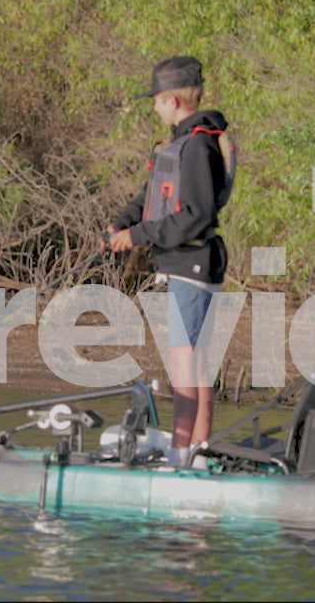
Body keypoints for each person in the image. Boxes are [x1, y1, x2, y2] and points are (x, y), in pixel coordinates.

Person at [106, 55, 232, 469]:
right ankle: (196, 454)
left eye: (157, 101)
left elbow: (196, 213)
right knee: (193, 362)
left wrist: (139, 236)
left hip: (192, 264)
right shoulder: (178, 143)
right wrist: (122, 225)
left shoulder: (197, 146)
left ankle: (184, 455)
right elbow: (151, 196)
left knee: (186, 364)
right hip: (185, 264)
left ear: (173, 101)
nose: (154, 108)